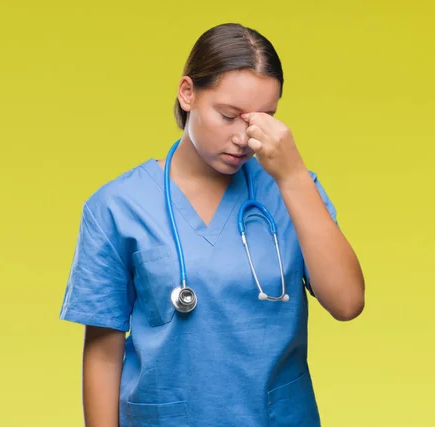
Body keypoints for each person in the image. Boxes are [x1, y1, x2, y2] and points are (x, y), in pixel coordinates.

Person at [58, 22, 365, 427]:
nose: (243, 137)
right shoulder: (117, 207)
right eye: (228, 116)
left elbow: (347, 303)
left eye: (261, 120)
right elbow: (102, 352)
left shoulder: (292, 190)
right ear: (188, 93)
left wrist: (292, 176)